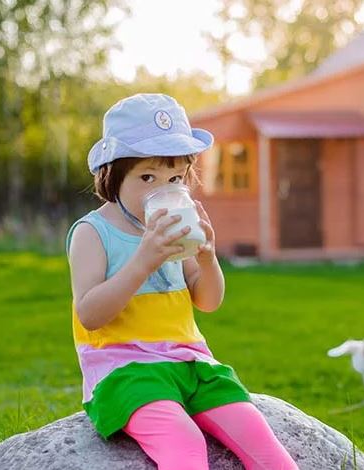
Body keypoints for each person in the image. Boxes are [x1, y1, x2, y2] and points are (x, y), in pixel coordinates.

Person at [66, 93, 298, 470]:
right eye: (146, 177)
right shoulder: (93, 234)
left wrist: (206, 256)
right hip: (126, 371)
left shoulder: (176, 226)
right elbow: (90, 314)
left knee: (256, 432)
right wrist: (143, 260)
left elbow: (208, 301)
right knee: (184, 440)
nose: (163, 188)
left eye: (175, 178)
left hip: (190, 362)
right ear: (112, 175)